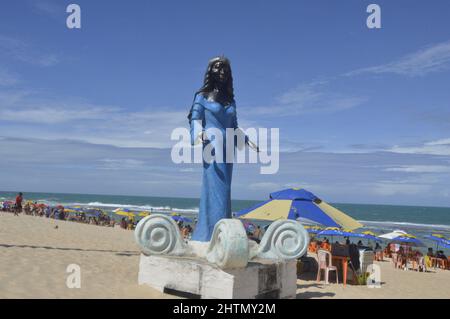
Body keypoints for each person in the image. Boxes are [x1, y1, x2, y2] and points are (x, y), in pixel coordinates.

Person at [188, 56, 258, 242]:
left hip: (228, 147)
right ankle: (207, 234)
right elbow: (195, 118)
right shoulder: (202, 96)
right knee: (213, 186)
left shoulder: (230, 101)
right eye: (218, 67)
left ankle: (222, 233)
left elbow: (234, 126)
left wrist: (247, 140)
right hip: (211, 144)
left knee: (225, 190)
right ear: (210, 70)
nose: (222, 71)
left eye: (225, 68)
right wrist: (198, 133)